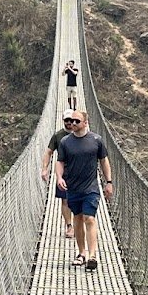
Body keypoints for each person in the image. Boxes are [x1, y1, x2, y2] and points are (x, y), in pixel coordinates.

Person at [55, 110, 113, 272]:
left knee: (89, 219)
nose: (72, 124)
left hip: (91, 188)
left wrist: (109, 182)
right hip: (73, 188)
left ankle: (92, 256)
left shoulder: (96, 140)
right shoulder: (65, 142)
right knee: (78, 219)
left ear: (85, 123)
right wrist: (59, 177)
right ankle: (81, 253)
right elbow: (59, 162)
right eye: (71, 121)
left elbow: (104, 161)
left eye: (76, 121)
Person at [41, 109, 77, 238]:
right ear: (63, 120)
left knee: (78, 200)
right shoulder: (58, 136)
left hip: (79, 172)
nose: (69, 123)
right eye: (66, 120)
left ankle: (79, 224)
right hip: (63, 173)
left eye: (71, 120)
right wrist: (45, 169)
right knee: (65, 200)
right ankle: (69, 226)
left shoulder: (82, 134)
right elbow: (48, 152)